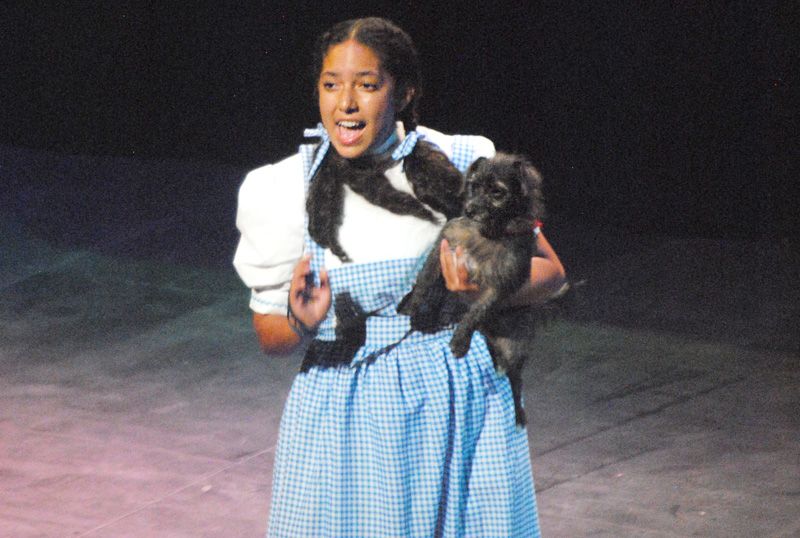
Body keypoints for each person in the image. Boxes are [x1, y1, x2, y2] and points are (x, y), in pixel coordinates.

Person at [233, 17, 566, 538]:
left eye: (366, 85)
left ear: (404, 92)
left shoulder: (463, 162)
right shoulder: (282, 189)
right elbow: (270, 337)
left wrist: (481, 288)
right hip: (349, 420)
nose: (345, 103)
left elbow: (550, 272)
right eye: (330, 85)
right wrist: (299, 321)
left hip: (461, 405)